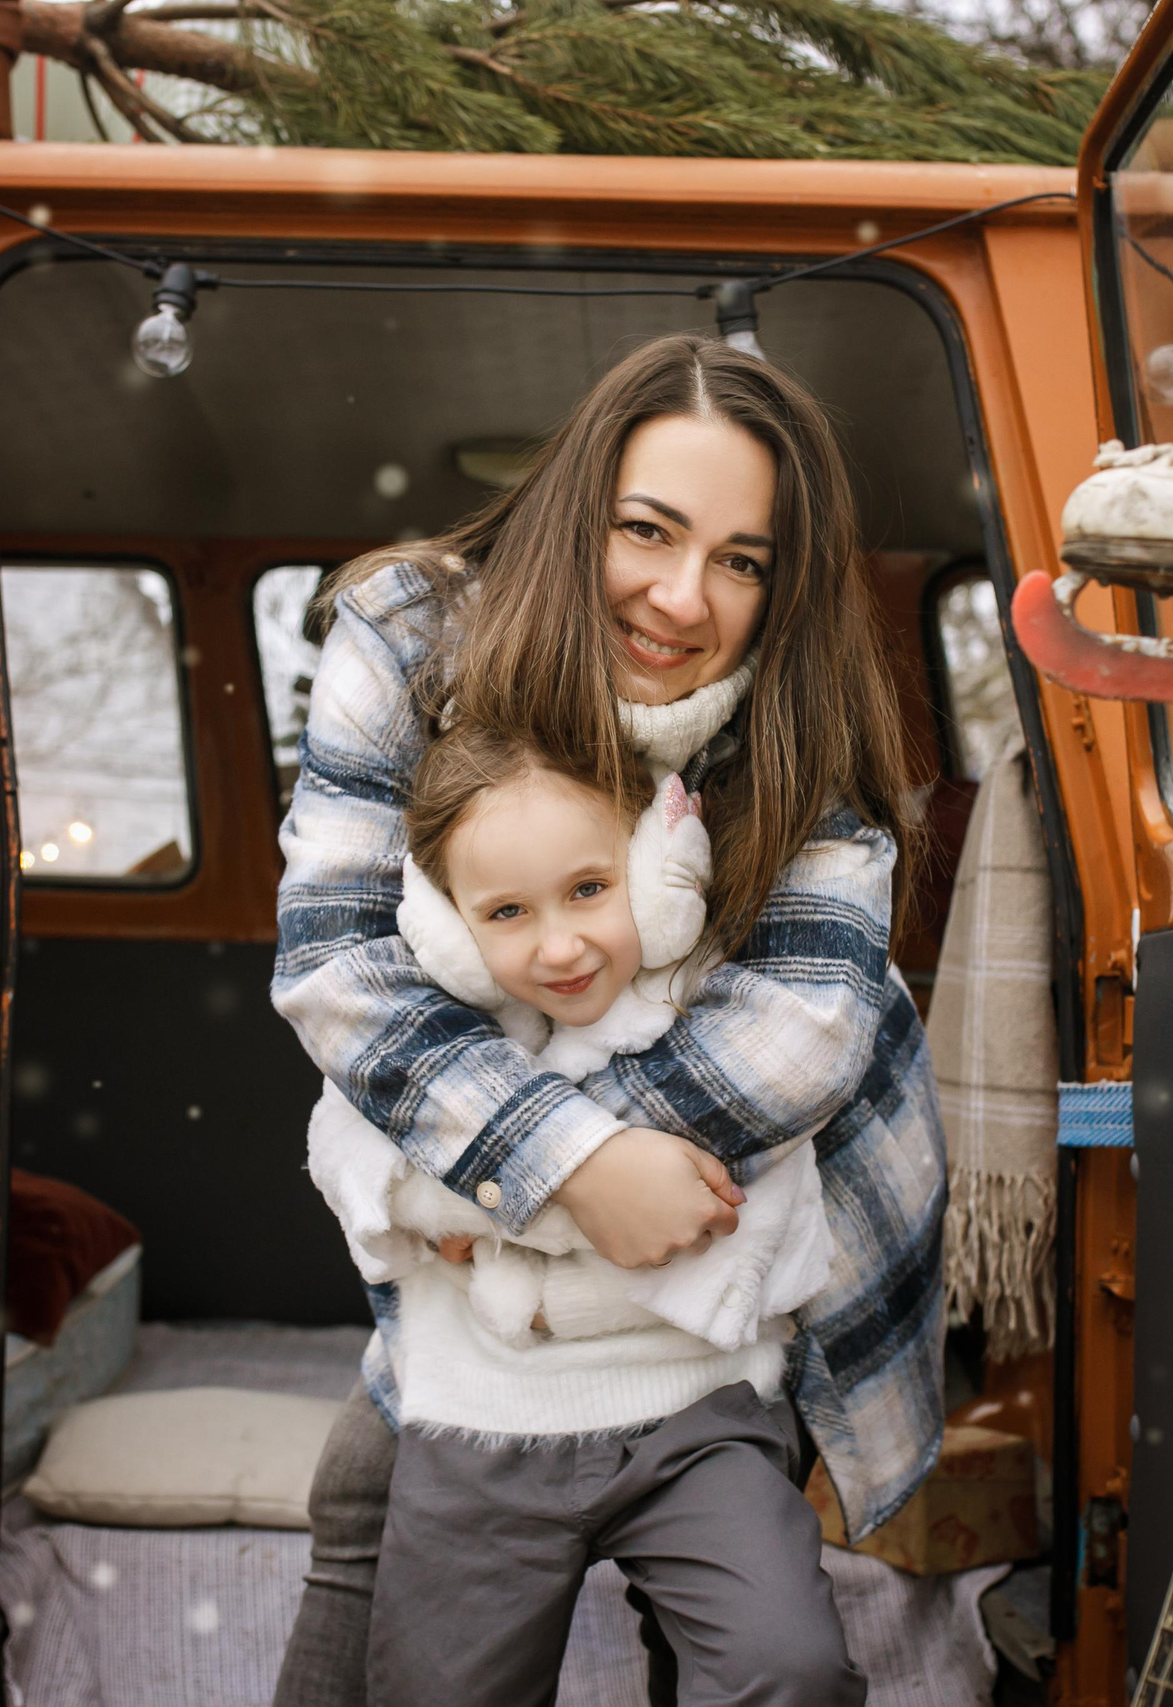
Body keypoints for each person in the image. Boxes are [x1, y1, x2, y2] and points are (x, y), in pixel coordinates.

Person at [269, 331, 948, 1706]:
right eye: (648, 529)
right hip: (469, 1215)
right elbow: (340, 958)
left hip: (729, 1230)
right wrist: (568, 1167)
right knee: (366, 1492)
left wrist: (536, 1186)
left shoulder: (800, 706)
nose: (682, 597)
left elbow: (802, 1029)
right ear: (577, 507)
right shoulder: (413, 635)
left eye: (743, 560)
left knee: (752, 1618)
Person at [303, 722, 850, 1705]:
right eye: (506, 912)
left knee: (787, 1662)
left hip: (698, 1415)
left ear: (656, 869)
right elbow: (348, 1153)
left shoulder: (717, 1004)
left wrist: (488, 1201)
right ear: (447, 928)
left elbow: (748, 1208)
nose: (560, 946)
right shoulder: (436, 1034)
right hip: (478, 1423)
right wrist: (582, 1190)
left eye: (590, 889)